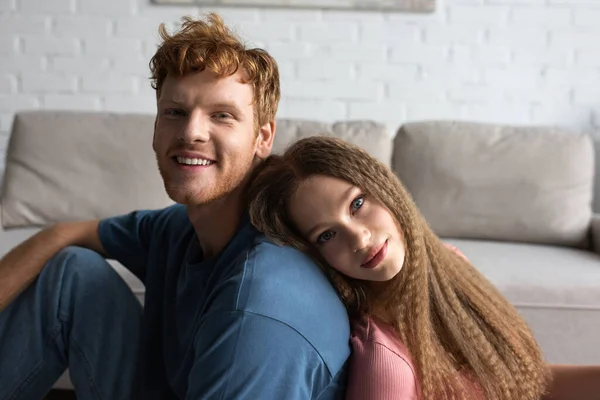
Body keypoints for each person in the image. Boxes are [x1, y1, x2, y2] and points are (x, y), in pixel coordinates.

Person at [0, 14, 350, 400]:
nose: (191, 132)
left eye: (222, 115)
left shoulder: (258, 305)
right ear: (155, 126)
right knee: (72, 271)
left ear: (262, 138)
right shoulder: (181, 229)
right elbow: (65, 233)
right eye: (175, 112)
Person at [248, 135, 600, 400]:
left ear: (384, 187)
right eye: (326, 235)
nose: (359, 237)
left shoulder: (451, 263)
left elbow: (526, 383)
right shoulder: (385, 362)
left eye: (357, 203)